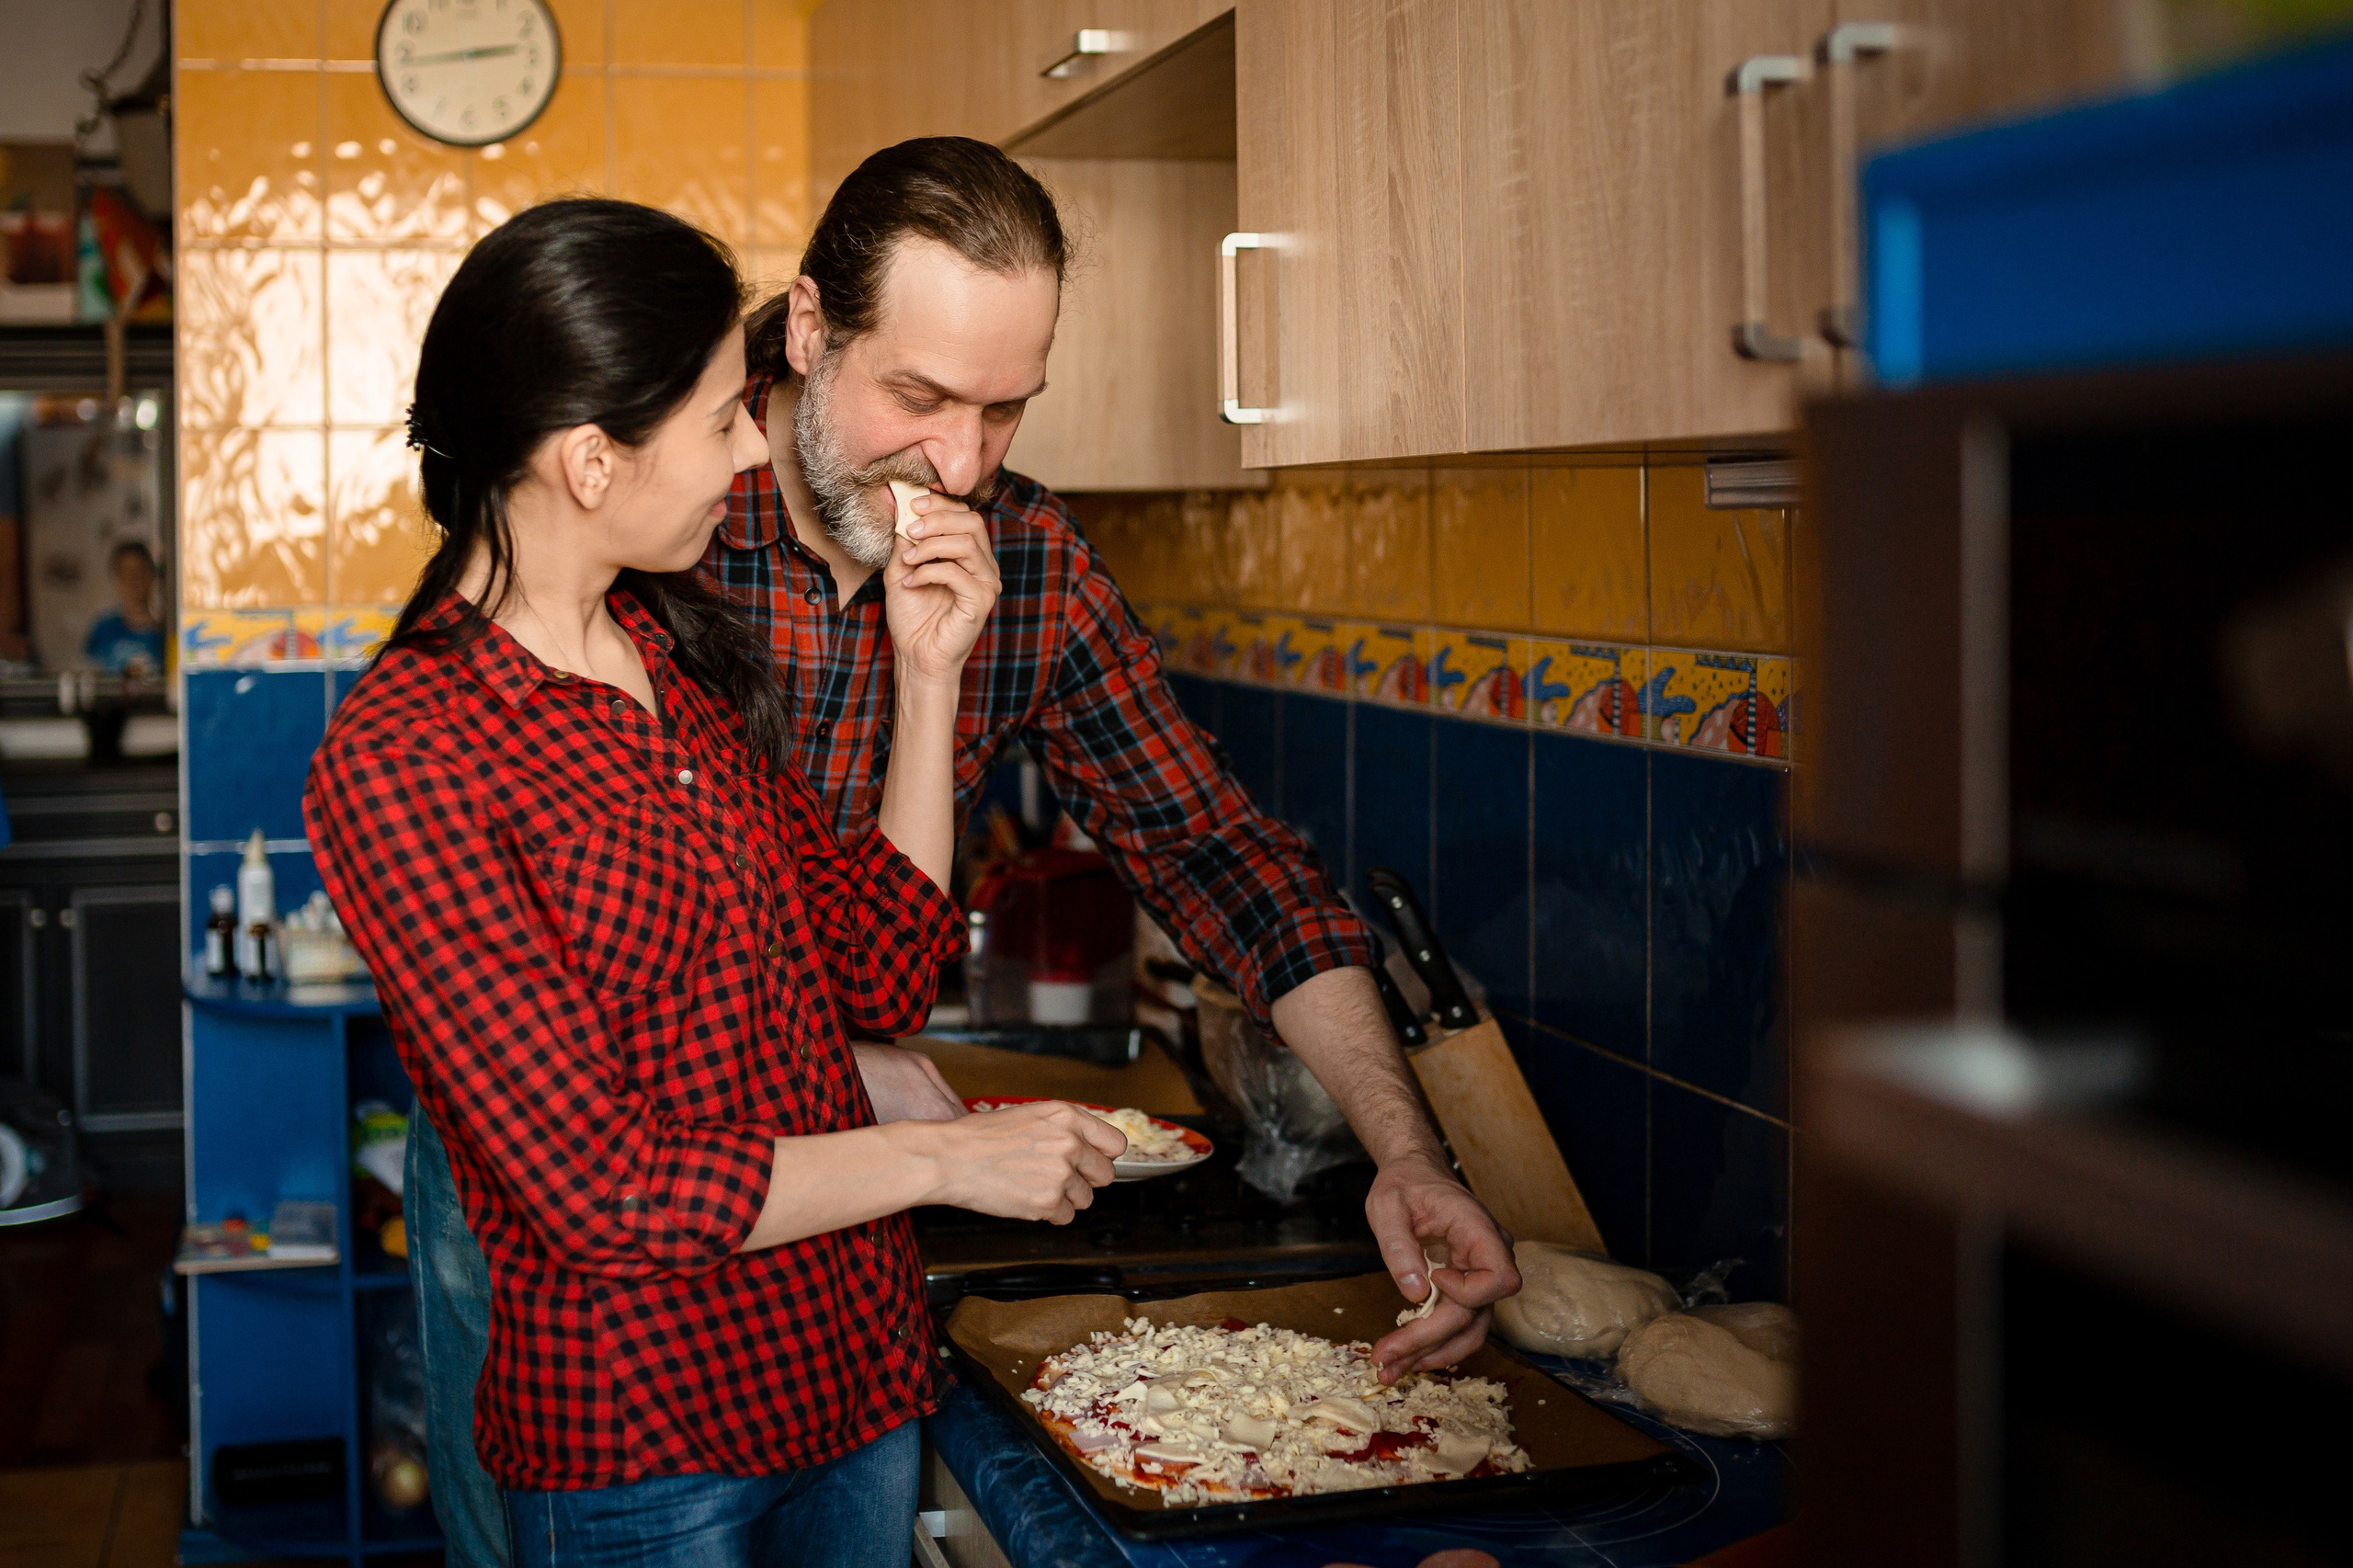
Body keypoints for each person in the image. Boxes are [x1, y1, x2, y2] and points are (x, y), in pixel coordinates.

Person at [408, 140, 1524, 1568]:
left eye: (1005, 410)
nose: (960, 462)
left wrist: (1406, 1152)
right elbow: (531, 908)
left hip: (846, 1238)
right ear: (809, 330)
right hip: (585, 1204)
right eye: (919, 396)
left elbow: (1221, 859)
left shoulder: (1033, 568)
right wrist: (830, 1067)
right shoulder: (651, 517)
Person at [305, 199, 1124, 1568]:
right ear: (587, 460)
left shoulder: (671, 659)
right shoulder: (407, 753)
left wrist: (931, 675)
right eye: (720, 419)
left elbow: (881, 968)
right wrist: (950, 1158)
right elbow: (597, 1187)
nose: (756, 446)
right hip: (648, 1438)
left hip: (849, 1381)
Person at [84, 540, 165, 674]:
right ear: (117, 580)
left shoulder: (163, 632)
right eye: (126, 573)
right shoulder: (103, 630)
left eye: (140, 571)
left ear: (152, 577)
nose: (133, 580)